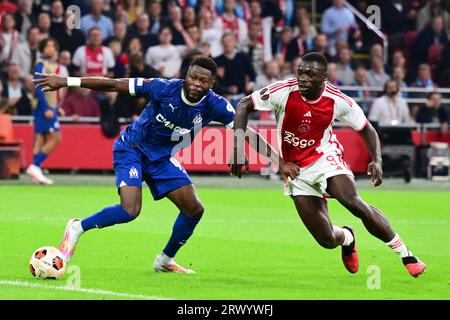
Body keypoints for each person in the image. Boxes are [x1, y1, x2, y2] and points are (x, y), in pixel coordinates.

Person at [230, 52, 426, 278]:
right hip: (296, 169)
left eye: (310, 74)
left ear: (324, 77)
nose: (302, 78)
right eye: (300, 72)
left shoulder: (338, 100)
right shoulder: (283, 90)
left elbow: (366, 129)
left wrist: (377, 160)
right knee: (326, 240)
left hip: (325, 157)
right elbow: (244, 104)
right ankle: (347, 237)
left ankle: (406, 254)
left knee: (353, 202)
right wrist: (238, 149)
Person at [33, 57, 236, 273]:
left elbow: (243, 127)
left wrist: (276, 161)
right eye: (193, 77)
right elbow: (113, 84)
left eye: (203, 81)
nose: (196, 83)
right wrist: (66, 81)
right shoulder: (162, 88)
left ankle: (165, 260)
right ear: (185, 75)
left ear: (211, 83)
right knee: (130, 210)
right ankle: (77, 226)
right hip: (132, 148)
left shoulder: (216, 105)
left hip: (160, 159)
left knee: (194, 209)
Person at [27, 38, 67, 185]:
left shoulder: (50, 65)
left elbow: (52, 91)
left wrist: (57, 107)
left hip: (49, 107)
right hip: (44, 108)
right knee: (56, 138)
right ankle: (35, 166)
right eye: (48, 46)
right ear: (43, 49)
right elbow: (38, 86)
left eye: (53, 46)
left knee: (41, 139)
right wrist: (47, 108)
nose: (50, 49)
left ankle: (36, 174)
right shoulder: (41, 64)